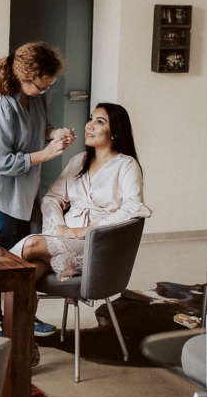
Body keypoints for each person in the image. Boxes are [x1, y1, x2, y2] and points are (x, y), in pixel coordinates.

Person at [0, 42, 75, 346]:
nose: (45, 91)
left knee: (23, 263)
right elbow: (1, 162)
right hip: (1, 194)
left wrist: (54, 133)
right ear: (25, 77)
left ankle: (24, 316)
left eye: (49, 87)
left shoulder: (34, 97)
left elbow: (38, 129)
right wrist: (45, 154)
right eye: (42, 86)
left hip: (27, 191)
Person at [14, 103, 152, 282]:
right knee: (27, 276)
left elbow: (133, 208)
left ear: (115, 133)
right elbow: (52, 199)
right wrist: (59, 228)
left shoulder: (126, 165)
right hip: (64, 239)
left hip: (97, 245)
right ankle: (2, 303)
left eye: (100, 122)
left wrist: (84, 231)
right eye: (90, 119)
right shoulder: (78, 160)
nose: (89, 126)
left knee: (31, 244)